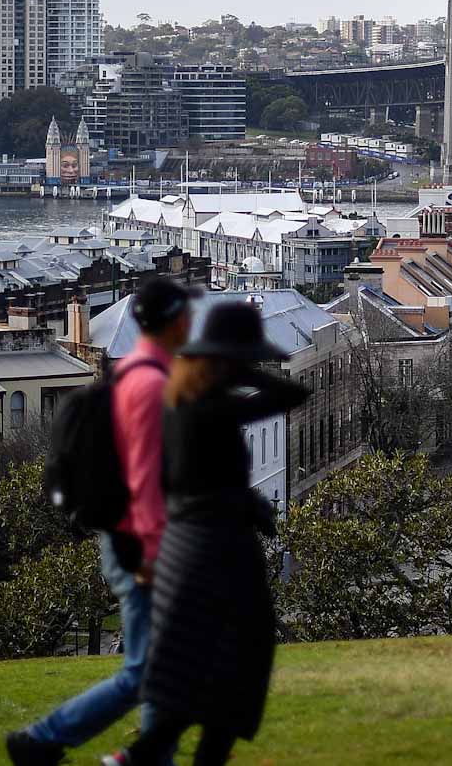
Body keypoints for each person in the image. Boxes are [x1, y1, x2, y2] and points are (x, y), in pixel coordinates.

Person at [104, 301, 308, 766]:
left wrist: (239, 366)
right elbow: (287, 395)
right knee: (241, 656)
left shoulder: (190, 401)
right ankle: (146, 756)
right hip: (216, 547)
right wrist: (251, 370)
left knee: (209, 662)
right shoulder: (205, 409)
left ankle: (142, 754)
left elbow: (292, 395)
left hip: (193, 547)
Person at [7, 276, 193, 766]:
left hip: (131, 539)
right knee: (146, 670)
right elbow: (146, 481)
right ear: (174, 320)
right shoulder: (151, 385)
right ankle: (44, 739)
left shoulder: (135, 374)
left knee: (161, 664)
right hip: (140, 544)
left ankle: (147, 758)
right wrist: (151, 555)